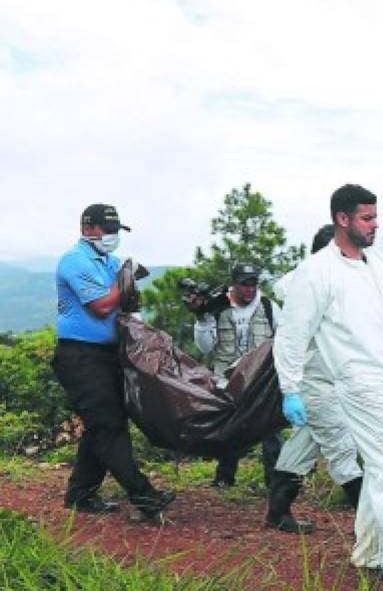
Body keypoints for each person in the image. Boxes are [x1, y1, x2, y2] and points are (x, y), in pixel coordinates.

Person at [273, 184, 383, 581]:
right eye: (366, 218)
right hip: (357, 381)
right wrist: (290, 388)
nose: (375, 224)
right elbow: (293, 335)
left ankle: (369, 551)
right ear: (342, 219)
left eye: (376, 216)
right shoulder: (316, 273)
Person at [52, 203, 175, 519]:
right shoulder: (74, 261)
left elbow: (129, 305)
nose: (112, 236)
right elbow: (102, 306)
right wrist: (127, 279)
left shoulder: (110, 261)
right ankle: (143, 495)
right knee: (108, 425)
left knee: (103, 425)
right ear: (88, 228)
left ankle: (80, 494)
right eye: (107, 230)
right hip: (79, 356)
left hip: (108, 355)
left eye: (116, 231)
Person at [269, 225, 364, 534]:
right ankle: (374, 523)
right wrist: (290, 390)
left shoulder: (336, 285)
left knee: (304, 445)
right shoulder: (303, 291)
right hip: (313, 385)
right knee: (343, 448)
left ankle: (277, 511)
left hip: (330, 381)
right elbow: (289, 343)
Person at [189, 262, 283, 491]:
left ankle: (274, 483)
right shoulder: (218, 307)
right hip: (227, 379)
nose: (249, 289)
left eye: (253, 283)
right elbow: (205, 347)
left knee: (270, 431)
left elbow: (284, 337)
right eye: (244, 284)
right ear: (234, 284)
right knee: (230, 428)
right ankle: (224, 477)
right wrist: (203, 318)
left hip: (262, 377)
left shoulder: (269, 307)